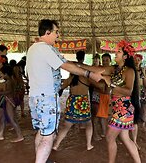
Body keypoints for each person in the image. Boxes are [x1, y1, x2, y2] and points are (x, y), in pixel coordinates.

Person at [26, 19, 104, 163]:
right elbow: (66, 65)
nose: (58, 35)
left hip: (35, 97)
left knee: (42, 132)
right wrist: (90, 74)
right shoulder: (45, 48)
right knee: (49, 136)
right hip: (47, 98)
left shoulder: (33, 49)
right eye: (56, 32)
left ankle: (42, 159)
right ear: (47, 32)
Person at [77, 40, 141, 163]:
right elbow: (95, 69)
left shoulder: (130, 71)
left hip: (124, 108)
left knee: (110, 137)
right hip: (118, 108)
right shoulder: (114, 69)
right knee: (125, 138)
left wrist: (110, 83)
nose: (115, 53)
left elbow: (128, 91)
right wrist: (78, 65)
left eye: (118, 52)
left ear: (125, 56)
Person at [52, 50, 105, 151]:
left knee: (67, 125)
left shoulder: (72, 76)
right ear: (84, 58)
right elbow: (100, 86)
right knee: (88, 123)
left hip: (72, 100)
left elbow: (62, 86)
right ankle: (89, 145)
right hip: (82, 102)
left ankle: (56, 145)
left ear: (76, 57)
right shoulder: (86, 75)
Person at [0, 65, 24, 142]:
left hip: (9, 100)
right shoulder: (10, 80)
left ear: (6, 74)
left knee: (12, 119)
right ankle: (0, 135)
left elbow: (9, 91)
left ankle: (20, 136)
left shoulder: (9, 81)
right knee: (2, 117)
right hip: (5, 99)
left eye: (1, 73)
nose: (0, 74)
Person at [132, 53, 146, 150]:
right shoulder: (131, 70)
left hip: (141, 91)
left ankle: (143, 124)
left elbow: (145, 80)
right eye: (136, 59)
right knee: (134, 111)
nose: (137, 61)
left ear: (141, 61)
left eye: (138, 59)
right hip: (134, 92)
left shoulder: (142, 70)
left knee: (144, 108)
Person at [96, 53, 112, 139]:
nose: (105, 62)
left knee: (111, 116)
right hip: (102, 95)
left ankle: (111, 133)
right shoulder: (99, 70)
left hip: (112, 96)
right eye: (104, 60)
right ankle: (104, 132)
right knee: (102, 116)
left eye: (107, 60)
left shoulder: (113, 70)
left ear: (110, 61)